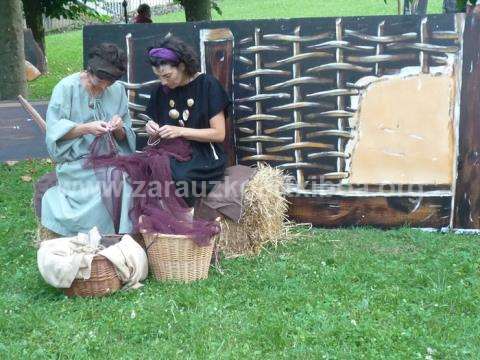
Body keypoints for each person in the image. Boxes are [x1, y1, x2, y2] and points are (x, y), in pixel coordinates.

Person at [41, 43, 136, 236]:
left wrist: (119, 128)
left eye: (108, 83)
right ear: (89, 69)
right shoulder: (66, 88)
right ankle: (94, 236)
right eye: (99, 80)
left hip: (110, 158)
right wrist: (86, 128)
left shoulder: (117, 90)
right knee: (108, 180)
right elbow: (54, 135)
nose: (103, 86)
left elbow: (126, 136)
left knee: (123, 177)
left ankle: (119, 237)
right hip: (77, 163)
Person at [144, 36, 230, 206]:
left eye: (167, 76)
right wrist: (151, 128)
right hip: (168, 151)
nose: (163, 82)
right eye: (159, 77)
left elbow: (219, 134)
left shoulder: (207, 85)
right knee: (144, 168)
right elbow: (156, 129)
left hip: (204, 155)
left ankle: (183, 221)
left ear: (182, 66)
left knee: (178, 176)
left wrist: (180, 131)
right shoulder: (160, 92)